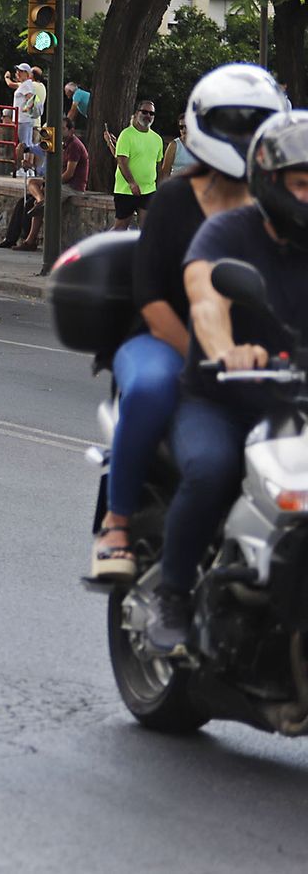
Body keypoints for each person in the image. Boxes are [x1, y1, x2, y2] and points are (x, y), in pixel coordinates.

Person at [89, 64, 286, 586]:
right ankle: (117, 523)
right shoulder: (175, 199)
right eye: (233, 123)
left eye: (257, 123)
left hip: (249, 349)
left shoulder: (278, 207)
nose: (244, 136)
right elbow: (152, 298)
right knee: (154, 389)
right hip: (160, 337)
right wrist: (206, 354)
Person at [146, 108, 308, 652]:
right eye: (303, 183)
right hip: (220, 399)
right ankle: (172, 593)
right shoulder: (227, 231)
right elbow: (206, 296)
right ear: (271, 181)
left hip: (295, 404)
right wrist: (226, 351)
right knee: (211, 469)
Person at [0, 116, 91, 251]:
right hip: (56, 182)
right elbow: (39, 153)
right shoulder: (57, 144)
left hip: (71, 186)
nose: (59, 132)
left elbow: (69, 174)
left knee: (35, 204)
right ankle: (15, 237)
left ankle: (31, 240)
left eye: (63, 129)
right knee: (26, 200)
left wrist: (49, 183)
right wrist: (25, 151)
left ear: (71, 131)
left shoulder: (74, 146)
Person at [112, 98, 162, 229]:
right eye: (144, 112)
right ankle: (105, 248)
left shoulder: (157, 139)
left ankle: (142, 250)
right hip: (126, 190)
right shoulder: (126, 135)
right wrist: (132, 183)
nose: (148, 116)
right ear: (137, 113)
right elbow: (121, 161)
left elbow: (158, 165)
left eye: (151, 114)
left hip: (149, 190)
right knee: (120, 227)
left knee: (147, 229)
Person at [4, 63, 41, 174]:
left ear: (27, 74)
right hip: (26, 119)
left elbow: (30, 99)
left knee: (23, 144)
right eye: (17, 71)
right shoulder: (26, 84)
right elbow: (11, 84)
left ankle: (21, 168)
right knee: (27, 144)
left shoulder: (26, 85)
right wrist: (7, 78)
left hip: (22, 119)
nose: (18, 73)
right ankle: (28, 170)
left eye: (20, 71)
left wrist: (26, 109)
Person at [160, 112, 199, 179]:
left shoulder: (200, 146)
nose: (184, 130)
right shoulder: (174, 145)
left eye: (186, 126)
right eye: (181, 127)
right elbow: (165, 171)